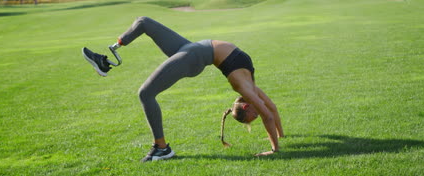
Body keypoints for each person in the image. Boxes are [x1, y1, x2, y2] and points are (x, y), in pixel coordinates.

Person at [82, 16, 284, 162]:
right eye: (254, 116)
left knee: (145, 94)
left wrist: (274, 145)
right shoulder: (246, 87)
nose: (257, 115)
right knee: (143, 22)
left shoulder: (244, 83)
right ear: (247, 105)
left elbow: (267, 113)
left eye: (253, 117)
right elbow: (270, 111)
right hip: (190, 49)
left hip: (193, 57)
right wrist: (278, 141)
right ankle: (109, 54)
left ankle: (161, 148)